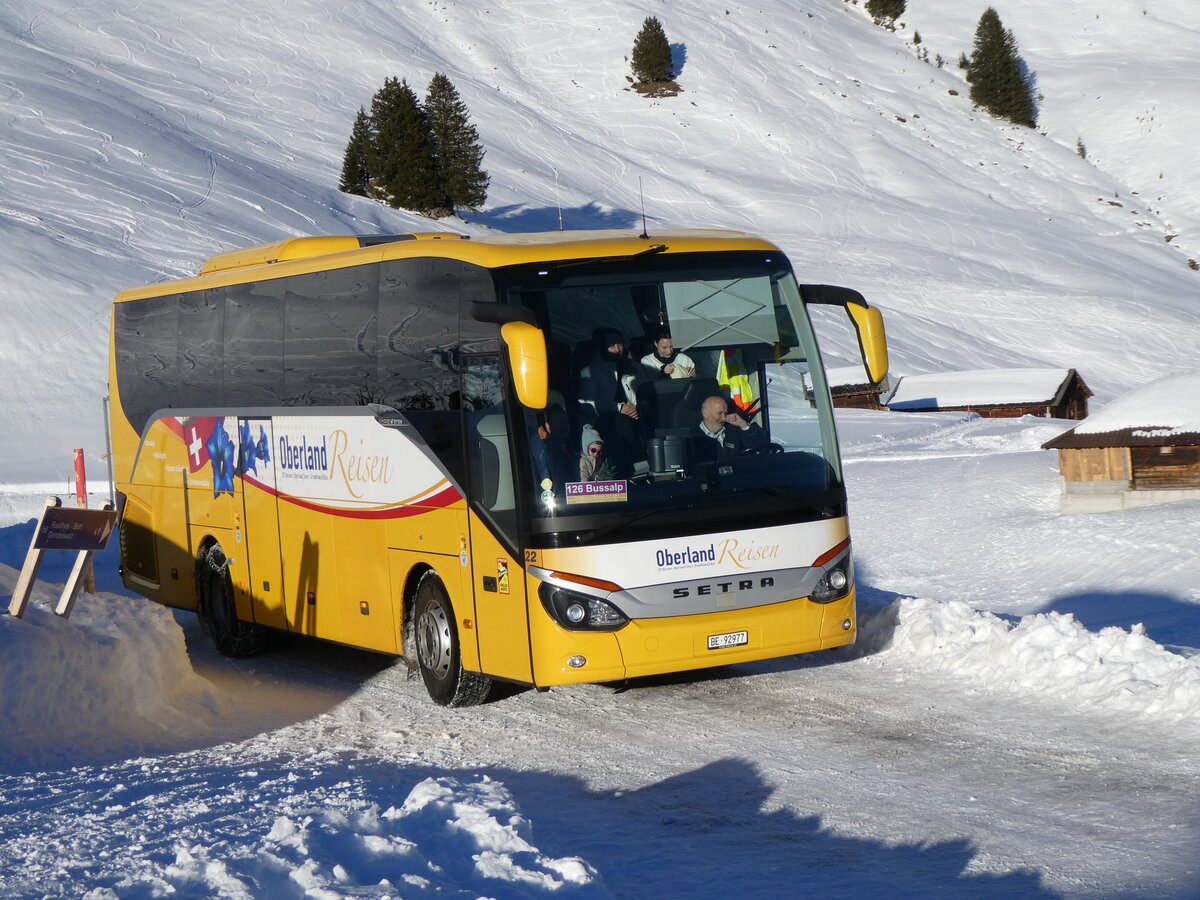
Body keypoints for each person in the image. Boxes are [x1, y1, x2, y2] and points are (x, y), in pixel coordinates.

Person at [578, 329, 643, 474]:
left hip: (634, 415)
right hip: (604, 421)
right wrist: (620, 408)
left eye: (619, 344)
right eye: (612, 346)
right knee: (620, 421)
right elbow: (586, 404)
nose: (618, 349)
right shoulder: (591, 370)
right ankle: (624, 470)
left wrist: (636, 408)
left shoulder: (633, 366)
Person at [691, 395, 768, 463]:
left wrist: (743, 425)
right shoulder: (691, 438)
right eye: (719, 413)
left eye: (725, 413)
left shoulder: (733, 430)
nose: (724, 418)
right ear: (705, 413)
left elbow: (763, 448)